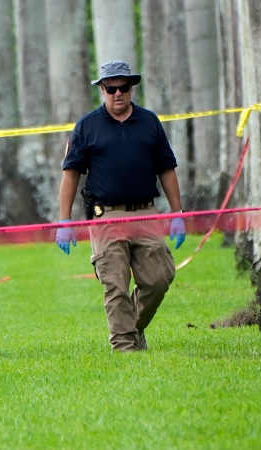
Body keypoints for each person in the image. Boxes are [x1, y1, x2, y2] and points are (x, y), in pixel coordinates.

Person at [56, 60, 186, 352]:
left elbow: (167, 167)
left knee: (159, 279)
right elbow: (71, 173)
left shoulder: (150, 122)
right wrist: (64, 221)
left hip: (145, 212)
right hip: (106, 216)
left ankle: (131, 328)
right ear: (102, 89)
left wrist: (178, 214)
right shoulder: (86, 126)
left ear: (132, 88)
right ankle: (125, 348)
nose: (118, 93)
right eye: (111, 88)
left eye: (123, 87)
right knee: (115, 284)